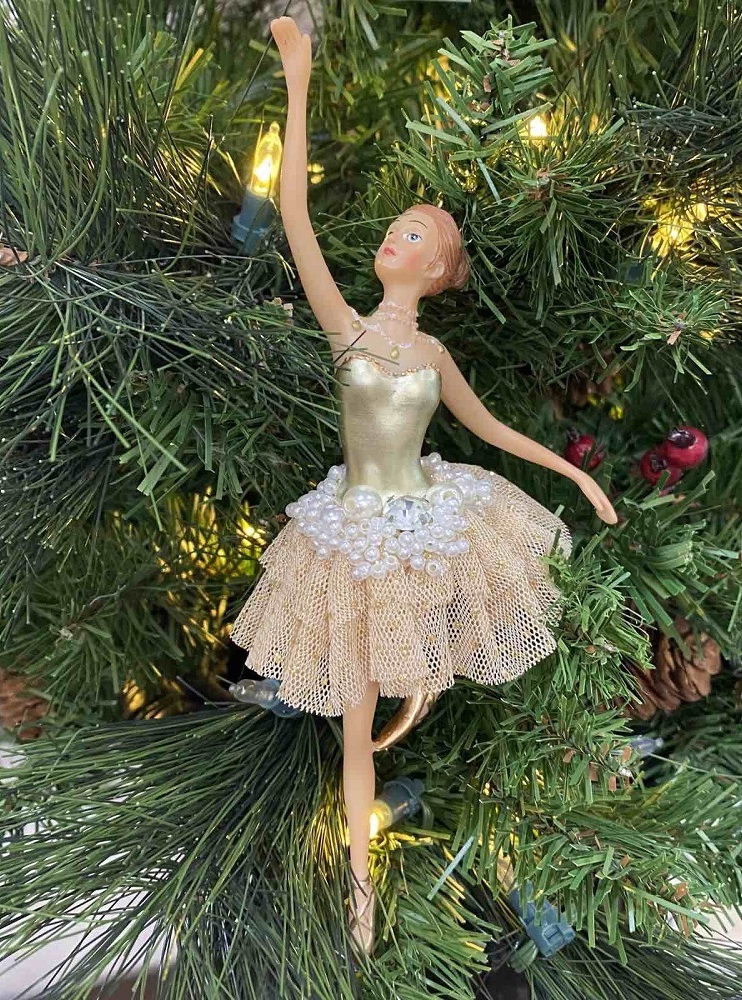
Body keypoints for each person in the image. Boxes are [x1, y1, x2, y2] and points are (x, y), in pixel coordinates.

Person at [230, 15, 618, 961]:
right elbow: (294, 218)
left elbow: (488, 431)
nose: (394, 240)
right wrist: (299, 83)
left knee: (402, 684)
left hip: (431, 523)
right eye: (396, 230)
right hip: (351, 532)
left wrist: (573, 472)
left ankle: (416, 798)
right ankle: (360, 889)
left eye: (413, 236)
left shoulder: (434, 352)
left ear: (436, 268)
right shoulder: (348, 330)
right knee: (353, 722)